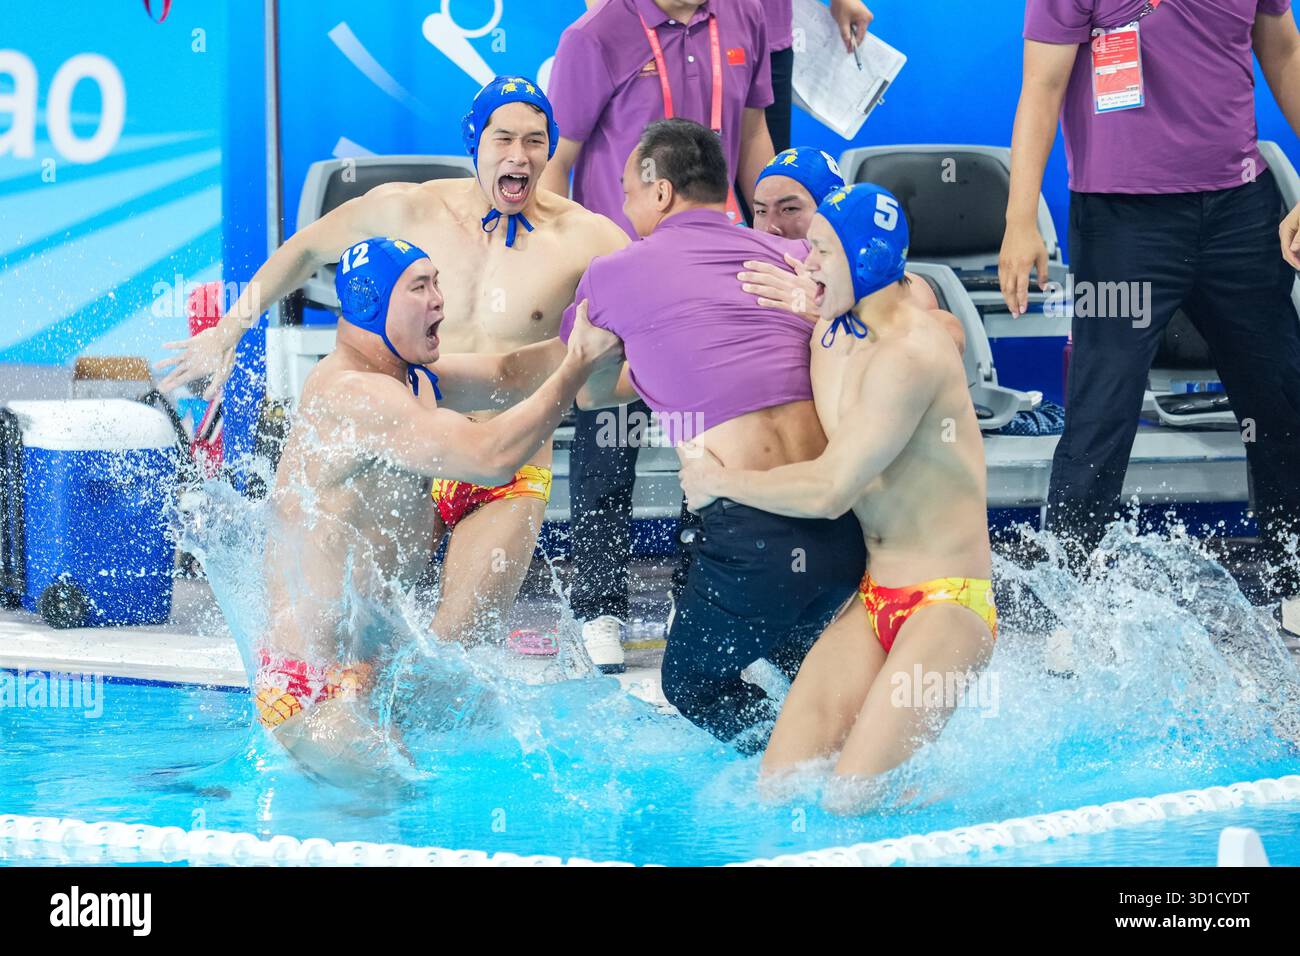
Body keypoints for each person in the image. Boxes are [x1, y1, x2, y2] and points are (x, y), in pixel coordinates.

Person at [158, 76, 628, 646]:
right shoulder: (408, 210)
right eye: (503, 139)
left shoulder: (590, 238)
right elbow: (305, 248)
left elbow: (655, 320)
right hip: (408, 460)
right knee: (358, 644)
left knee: (459, 650)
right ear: (474, 141)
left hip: (505, 464)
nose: (519, 156)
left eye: (535, 141)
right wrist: (229, 329)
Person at [234, 238, 622, 786]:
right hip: (310, 694)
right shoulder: (353, 395)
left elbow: (510, 373)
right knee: (400, 790)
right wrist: (577, 366)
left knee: (508, 743)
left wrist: (613, 331)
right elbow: (489, 458)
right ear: (369, 301)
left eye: (437, 282)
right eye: (420, 287)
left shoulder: (412, 378)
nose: (440, 300)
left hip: (375, 678)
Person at [678, 184, 995, 810]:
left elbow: (829, 490)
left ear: (865, 262)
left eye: (821, 251)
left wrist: (719, 484)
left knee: (851, 801)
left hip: (946, 606)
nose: (806, 262)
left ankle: (974, 822)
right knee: (779, 791)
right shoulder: (832, 325)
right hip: (874, 599)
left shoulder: (910, 355)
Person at [561, 118, 867, 750]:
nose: (622, 207)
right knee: (796, 659)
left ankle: (790, 764)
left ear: (661, 192)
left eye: (627, 191)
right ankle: (842, 754)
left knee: (692, 681)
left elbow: (589, 391)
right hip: (847, 525)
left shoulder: (615, 273)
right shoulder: (799, 263)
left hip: (753, 534)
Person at [999, 1, 1300, 627]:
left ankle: (1290, 580)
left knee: (1282, 400)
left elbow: (1283, 50)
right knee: (1100, 414)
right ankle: (1069, 601)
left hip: (1239, 212)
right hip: (1119, 223)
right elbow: (1043, 83)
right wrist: (1019, 217)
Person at [541, 0, 778, 674]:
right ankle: (598, 606)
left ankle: (694, 596)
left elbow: (754, 136)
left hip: (715, 269)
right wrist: (575, 263)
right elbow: (559, 164)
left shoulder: (745, 17)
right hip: (627, 274)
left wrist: (768, 228)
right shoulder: (596, 35)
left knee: (711, 445)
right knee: (605, 436)